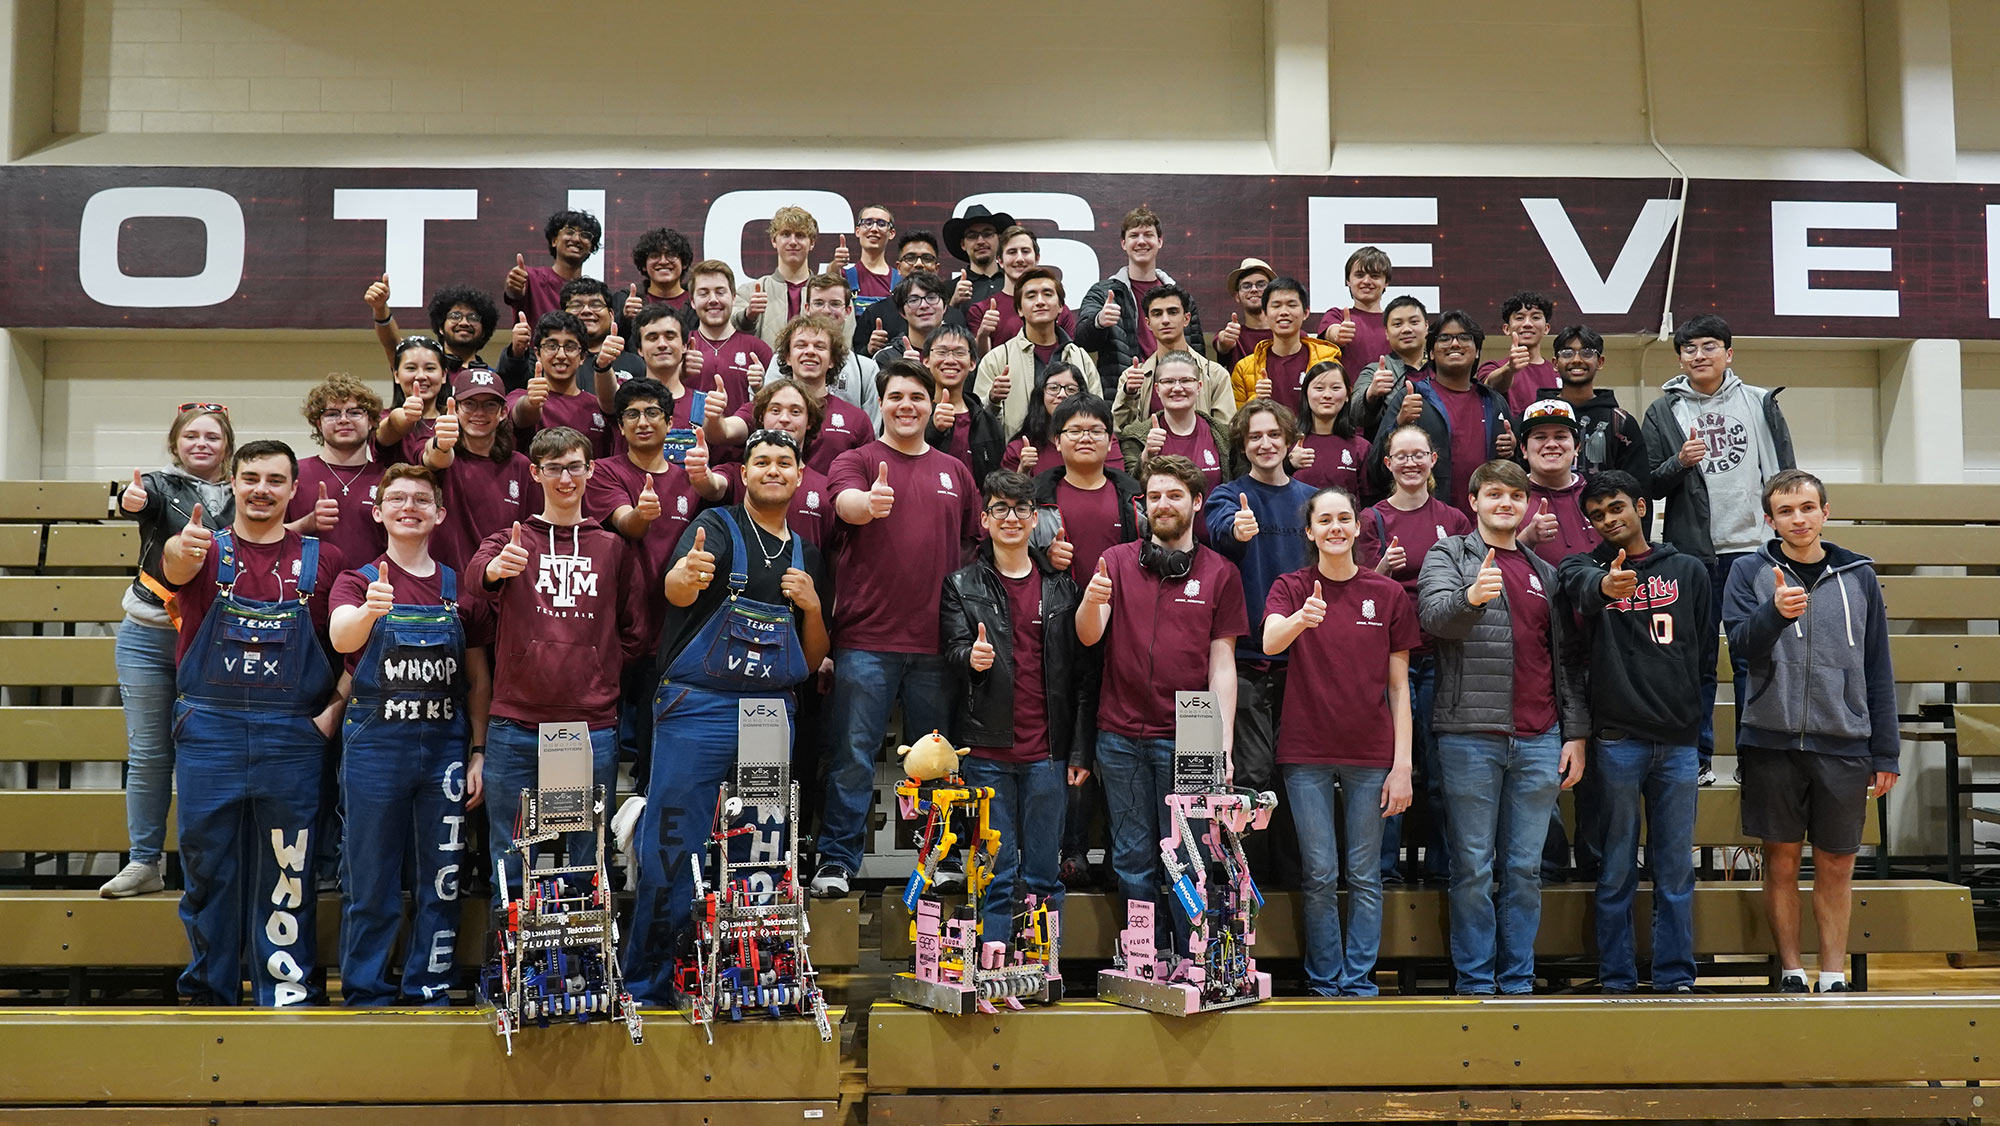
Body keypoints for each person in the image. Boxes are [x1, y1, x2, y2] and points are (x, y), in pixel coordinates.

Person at [624, 428, 831, 1006]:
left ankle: (747, 978)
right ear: (744, 474)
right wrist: (684, 580)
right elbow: (676, 591)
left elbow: (812, 659)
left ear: (798, 477)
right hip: (698, 708)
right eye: (760, 461)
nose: (771, 469)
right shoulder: (714, 528)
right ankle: (646, 982)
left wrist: (812, 607)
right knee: (673, 848)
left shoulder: (806, 556)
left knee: (758, 853)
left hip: (769, 714)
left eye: (782, 462)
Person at [159, 439, 348, 1005]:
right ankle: (209, 993)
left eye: (274, 480)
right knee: (205, 866)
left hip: (293, 735)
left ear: (294, 489)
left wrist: (332, 714)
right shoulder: (202, 549)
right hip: (209, 731)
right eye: (250, 478)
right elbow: (174, 562)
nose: (261, 489)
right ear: (233, 485)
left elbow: (357, 650)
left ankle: (285, 993)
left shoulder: (324, 560)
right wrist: (180, 548)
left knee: (288, 870)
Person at [1723, 470, 1899, 994]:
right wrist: (1773, 616)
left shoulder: (1860, 574)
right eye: (1785, 511)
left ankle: (1834, 974)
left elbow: (1877, 665)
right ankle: (1793, 971)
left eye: (1806, 508)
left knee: (1837, 863)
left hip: (1844, 741)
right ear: (1768, 519)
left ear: (1825, 511)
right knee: (1780, 859)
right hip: (1769, 740)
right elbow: (1738, 648)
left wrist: (1884, 750)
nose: (1797, 519)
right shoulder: (1748, 572)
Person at [1417, 459, 1588, 996]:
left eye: (1515, 496)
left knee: (1524, 869)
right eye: (1494, 494)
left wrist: (1574, 733)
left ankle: (1515, 979)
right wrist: (1472, 597)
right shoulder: (1450, 553)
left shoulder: (1545, 570)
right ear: (1474, 501)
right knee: (1471, 867)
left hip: (1540, 737)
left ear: (1528, 505)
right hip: (1470, 733)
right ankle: (1474, 979)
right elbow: (1434, 619)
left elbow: (1563, 660)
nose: (1505, 504)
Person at [812, 362, 982, 897]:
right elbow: (846, 505)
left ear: (933, 406)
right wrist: (871, 504)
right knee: (851, 759)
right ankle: (837, 862)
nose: (906, 405)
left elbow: (974, 545)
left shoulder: (955, 472)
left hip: (937, 644)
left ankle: (942, 859)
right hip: (865, 642)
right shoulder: (856, 460)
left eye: (917, 396)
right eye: (895, 396)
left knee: (939, 763)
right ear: (879, 404)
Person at [328, 463, 491, 1006]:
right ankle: (366, 992)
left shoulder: (457, 587)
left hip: (444, 745)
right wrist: (370, 612)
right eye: (396, 498)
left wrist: (479, 751)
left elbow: (477, 679)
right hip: (376, 745)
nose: (409, 506)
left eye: (421, 499)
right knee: (370, 880)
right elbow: (339, 634)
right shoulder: (356, 579)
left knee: (441, 881)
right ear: (378, 512)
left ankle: (429, 987)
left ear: (439, 514)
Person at [465, 427, 647, 897]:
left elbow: (634, 629)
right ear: (536, 473)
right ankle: (512, 965)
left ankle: (582, 968)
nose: (564, 478)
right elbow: (473, 582)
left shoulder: (612, 548)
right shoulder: (509, 539)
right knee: (510, 859)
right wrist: (494, 569)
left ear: (589, 470)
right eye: (553, 468)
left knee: (586, 858)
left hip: (586, 727)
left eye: (574, 467)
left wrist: (595, 668)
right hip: (515, 725)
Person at [1076, 455, 1245, 952]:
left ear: (1195, 502)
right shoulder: (1117, 560)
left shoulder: (1221, 573)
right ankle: (1146, 956)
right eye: (1154, 497)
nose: (1163, 505)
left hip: (1194, 730)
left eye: (1174, 495)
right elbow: (1090, 636)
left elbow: (1223, 665)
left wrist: (1222, 745)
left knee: (1192, 859)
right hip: (1121, 732)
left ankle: (1194, 959)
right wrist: (1090, 599)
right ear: (1143, 505)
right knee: (1131, 857)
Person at [1557, 470, 1710, 994]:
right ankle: (1617, 978)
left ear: (1642, 506)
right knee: (1616, 867)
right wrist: (1604, 585)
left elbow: (1706, 661)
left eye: (1617, 507)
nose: (1608, 519)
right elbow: (1576, 586)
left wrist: (1702, 736)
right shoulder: (1583, 565)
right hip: (1617, 741)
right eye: (1597, 515)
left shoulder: (1687, 569)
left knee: (1674, 872)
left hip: (1678, 743)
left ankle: (1674, 978)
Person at [1263, 485, 1417, 995]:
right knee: (1321, 873)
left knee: (1365, 874)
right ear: (1309, 531)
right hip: (1305, 751)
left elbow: (1400, 688)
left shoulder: (1388, 594)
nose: (1334, 527)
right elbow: (1268, 641)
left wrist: (1403, 766)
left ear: (1357, 528)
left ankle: (1358, 981)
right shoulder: (1291, 586)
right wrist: (1300, 621)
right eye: (1323, 520)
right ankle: (1324, 981)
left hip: (1371, 753)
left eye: (1343, 518)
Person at [939, 468, 1095, 945]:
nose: (1011, 518)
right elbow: (951, 651)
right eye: (1000, 509)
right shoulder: (960, 583)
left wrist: (1080, 752)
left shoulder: (1062, 587)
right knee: (996, 875)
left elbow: (1083, 676)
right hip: (987, 754)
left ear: (1034, 520)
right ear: (984, 519)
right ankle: (995, 970)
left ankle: (1042, 974)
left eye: (1021, 509)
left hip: (1048, 754)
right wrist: (972, 657)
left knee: (1046, 876)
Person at [1644, 314, 1795, 787]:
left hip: (1756, 550)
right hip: (1694, 554)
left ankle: (1756, 758)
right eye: (1689, 349)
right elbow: (1649, 482)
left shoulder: (1759, 401)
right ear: (1681, 358)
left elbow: (1787, 475)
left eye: (1710, 346)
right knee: (1698, 658)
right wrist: (1679, 461)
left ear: (1729, 353)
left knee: (1756, 658)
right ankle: (1700, 758)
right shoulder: (1663, 411)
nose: (1699, 355)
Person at [100, 405, 235, 898]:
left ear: (227, 444)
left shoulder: (245, 490)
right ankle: (144, 861)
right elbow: (135, 502)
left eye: (212, 437)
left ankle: (212, 867)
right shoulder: (156, 485)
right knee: (150, 754)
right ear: (175, 443)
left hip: (211, 636)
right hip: (147, 633)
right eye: (192, 436)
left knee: (209, 754)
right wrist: (129, 499)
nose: (201, 443)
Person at [586, 376, 724, 770]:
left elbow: (718, 492)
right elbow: (625, 524)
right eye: (631, 414)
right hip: (615, 626)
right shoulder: (605, 472)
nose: (642, 421)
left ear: (668, 422)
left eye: (652, 413)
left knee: (655, 741)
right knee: (603, 740)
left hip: (672, 629)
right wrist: (641, 515)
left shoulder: (689, 479)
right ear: (620, 424)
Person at [1356, 425, 1472, 884]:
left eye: (1418, 455)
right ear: (1387, 464)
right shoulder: (1370, 519)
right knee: (1391, 766)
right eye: (1400, 456)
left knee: (1441, 772)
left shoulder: (1455, 519)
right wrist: (1381, 569)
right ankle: (1384, 869)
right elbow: (1355, 586)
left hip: (1442, 657)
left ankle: (1443, 868)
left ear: (1433, 460)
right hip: (1389, 659)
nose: (1409, 463)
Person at [1204, 400, 1314, 873]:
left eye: (1273, 434)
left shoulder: (1312, 500)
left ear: (1290, 442)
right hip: (1246, 658)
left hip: (1305, 661)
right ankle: (1244, 885)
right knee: (1249, 774)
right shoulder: (1228, 496)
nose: (1265, 443)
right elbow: (1217, 531)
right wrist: (1237, 531)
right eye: (1254, 437)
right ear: (1242, 446)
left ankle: (1291, 877)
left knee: (1298, 774)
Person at [1364, 311, 1515, 519]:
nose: (1454, 344)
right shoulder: (1412, 396)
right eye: (1444, 338)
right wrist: (1399, 423)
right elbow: (1375, 469)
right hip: (1428, 522)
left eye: (1464, 337)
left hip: (1486, 523)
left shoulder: (1494, 401)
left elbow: (1515, 471)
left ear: (1477, 351)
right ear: (1432, 353)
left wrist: (1512, 451)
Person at [706, 313, 873, 475]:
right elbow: (721, 433)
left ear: (832, 360)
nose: (810, 351)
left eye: (819, 346)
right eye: (801, 345)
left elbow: (867, 473)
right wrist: (713, 417)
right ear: (787, 357)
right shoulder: (765, 405)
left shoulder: (856, 419)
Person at [1076, 206, 1205, 398]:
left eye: (1148, 235)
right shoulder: (1103, 293)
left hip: (1176, 394)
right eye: (1134, 235)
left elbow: (1197, 351)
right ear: (1123, 243)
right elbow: (1081, 341)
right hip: (1125, 398)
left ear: (1159, 241)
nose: (1141, 241)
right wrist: (1099, 321)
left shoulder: (1180, 297)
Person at [420, 366, 536, 573]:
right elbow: (434, 456)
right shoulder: (445, 458)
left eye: (489, 405)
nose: (479, 413)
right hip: (445, 590)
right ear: (455, 409)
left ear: (503, 412)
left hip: (500, 586)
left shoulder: (521, 466)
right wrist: (441, 444)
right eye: (469, 404)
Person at [974, 267, 1099, 436]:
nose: (1040, 301)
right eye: (1031, 296)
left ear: (1061, 306)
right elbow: (979, 423)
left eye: (1047, 294)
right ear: (1019, 309)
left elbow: (1098, 415)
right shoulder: (997, 359)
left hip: (1073, 456)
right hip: (1017, 456)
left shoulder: (1081, 358)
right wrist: (992, 400)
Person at [714, 379, 838, 547]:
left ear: (809, 422)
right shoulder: (736, 473)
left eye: (795, 412)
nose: (784, 419)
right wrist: (700, 471)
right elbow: (712, 485)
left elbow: (831, 556)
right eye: (775, 410)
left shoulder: (825, 489)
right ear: (760, 417)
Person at [1033, 394, 1142, 583]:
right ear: (1058, 441)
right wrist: (1045, 557)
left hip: (1122, 605)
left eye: (1096, 431)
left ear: (1110, 442)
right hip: (1058, 607)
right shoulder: (1034, 499)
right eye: (1075, 431)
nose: (1085, 438)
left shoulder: (1137, 498)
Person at [286, 374, 387, 567]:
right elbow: (264, 538)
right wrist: (307, 523)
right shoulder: (293, 473)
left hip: (370, 589)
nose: (343, 420)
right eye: (332, 414)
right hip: (305, 591)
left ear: (372, 420)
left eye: (355, 412)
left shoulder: (387, 479)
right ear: (318, 423)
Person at [1111, 285, 1235, 437]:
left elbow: (1225, 435)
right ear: (1148, 323)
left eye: (1173, 312)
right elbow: (1121, 434)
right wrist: (1129, 394)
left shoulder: (1215, 375)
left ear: (1186, 319)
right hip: (1149, 459)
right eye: (1157, 314)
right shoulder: (1133, 378)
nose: (1165, 320)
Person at [1549, 325, 1651, 497]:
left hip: (1604, 520)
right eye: (1567, 353)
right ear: (1555, 363)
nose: (1576, 360)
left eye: (1587, 353)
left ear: (1600, 362)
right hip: (1547, 518)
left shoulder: (1621, 422)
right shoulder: (1535, 416)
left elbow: (1639, 488)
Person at [1122, 349, 1233, 493]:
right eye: (1168, 381)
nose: (1177, 388)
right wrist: (1146, 456)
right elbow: (1130, 493)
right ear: (1157, 389)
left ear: (1199, 387)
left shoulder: (1223, 435)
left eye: (1186, 380)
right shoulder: (1135, 437)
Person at [1229, 277, 1341, 408]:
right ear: (1265, 314)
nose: (1284, 312)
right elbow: (1236, 423)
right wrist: (1257, 400)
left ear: (1305, 313)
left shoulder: (1328, 361)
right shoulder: (1244, 368)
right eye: (1276, 306)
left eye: (1292, 305)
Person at [966, 225, 1079, 354]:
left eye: (1025, 251)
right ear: (1000, 261)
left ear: (1037, 258)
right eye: (1012, 252)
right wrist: (983, 335)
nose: (1019, 259)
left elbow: (1071, 358)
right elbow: (980, 364)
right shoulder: (981, 310)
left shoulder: (1056, 308)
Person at [1516, 398, 1600, 567]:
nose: (1551, 444)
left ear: (1577, 447)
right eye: (1540, 437)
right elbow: (1495, 566)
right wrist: (1526, 539)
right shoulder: (1509, 499)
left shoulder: (1599, 494)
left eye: (1560, 436)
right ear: (1524, 449)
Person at [922, 323, 1005, 485]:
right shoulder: (915, 414)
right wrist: (933, 429)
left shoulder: (988, 422)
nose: (950, 360)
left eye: (959, 353)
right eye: (942, 352)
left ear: (973, 363)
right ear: (926, 360)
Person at [735, 206, 827, 345]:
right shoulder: (750, 292)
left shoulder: (829, 294)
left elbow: (844, 345)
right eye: (786, 234)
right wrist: (748, 316)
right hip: (764, 366)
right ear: (774, 240)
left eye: (800, 235)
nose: (793, 242)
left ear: (812, 243)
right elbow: (730, 333)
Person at [687, 260, 777, 398]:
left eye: (720, 292)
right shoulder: (681, 347)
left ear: (734, 298)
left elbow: (777, 404)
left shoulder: (758, 350)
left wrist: (760, 389)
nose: (713, 300)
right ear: (693, 302)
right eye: (704, 293)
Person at [368, 282, 500, 375]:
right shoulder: (423, 367)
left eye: (473, 317)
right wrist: (380, 308)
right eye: (455, 316)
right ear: (441, 327)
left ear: (484, 330)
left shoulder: (492, 377)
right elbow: (392, 344)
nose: (464, 323)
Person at [804, 273, 882, 427]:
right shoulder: (783, 360)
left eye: (835, 304)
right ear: (807, 308)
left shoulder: (867, 369)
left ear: (848, 310)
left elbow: (871, 429)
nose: (826, 310)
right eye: (818, 303)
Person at [1349, 295, 1430, 440]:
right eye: (1397, 324)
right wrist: (1370, 395)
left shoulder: (1442, 368)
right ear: (1387, 333)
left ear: (1426, 327)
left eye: (1414, 322)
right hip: (1390, 454)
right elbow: (1354, 415)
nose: (1406, 329)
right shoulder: (1375, 371)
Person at [504, 209, 601, 326]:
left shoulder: (594, 294)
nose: (576, 239)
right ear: (554, 240)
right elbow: (514, 293)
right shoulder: (531, 278)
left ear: (591, 248)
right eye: (569, 232)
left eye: (585, 235)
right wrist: (514, 286)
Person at [1291, 361, 1370, 496]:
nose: (1327, 395)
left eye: (1335, 388)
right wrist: (1288, 464)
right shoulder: (1289, 444)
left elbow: (1369, 500)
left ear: (1347, 394)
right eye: (1319, 388)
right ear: (1306, 393)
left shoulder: (1361, 448)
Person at [1319, 246, 1395, 388]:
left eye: (1375, 276)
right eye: (1359, 275)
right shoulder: (1337, 315)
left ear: (1386, 282)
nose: (1366, 281)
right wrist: (1338, 335)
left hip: (1390, 400)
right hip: (1346, 401)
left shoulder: (1395, 321)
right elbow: (1331, 332)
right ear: (1348, 280)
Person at [1477, 291, 1561, 416]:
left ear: (1546, 328)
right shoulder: (1492, 367)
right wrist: (1509, 369)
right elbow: (1490, 385)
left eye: (1536, 317)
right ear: (1506, 329)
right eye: (1520, 318)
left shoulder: (1558, 372)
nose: (1527, 324)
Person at [1002, 361, 1084, 476]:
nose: (1062, 395)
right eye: (1053, 388)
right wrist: (1023, 471)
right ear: (1041, 395)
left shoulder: (1098, 439)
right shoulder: (1020, 448)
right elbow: (1005, 492)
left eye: (1071, 389)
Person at [616, 226, 696, 333]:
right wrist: (624, 318)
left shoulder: (698, 302)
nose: (663, 261)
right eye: (655, 256)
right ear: (644, 264)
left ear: (684, 263)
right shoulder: (625, 300)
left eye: (671, 255)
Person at [871, 271, 952, 369]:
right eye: (913, 300)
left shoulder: (962, 353)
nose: (924, 305)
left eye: (931, 297)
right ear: (902, 312)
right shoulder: (886, 358)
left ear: (945, 307)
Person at [943, 204, 1014, 306]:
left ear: (999, 239)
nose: (980, 241)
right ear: (963, 244)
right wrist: (954, 302)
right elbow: (940, 321)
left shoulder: (1014, 281)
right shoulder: (950, 288)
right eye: (972, 236)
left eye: (987, 234)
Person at [1213, 257, 1275, 370]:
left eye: (1261, 284)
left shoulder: (1291, 334)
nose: (1254, 290)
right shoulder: (1234, 335)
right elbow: (1222, 345)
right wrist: (1224, 341)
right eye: (1246, 286)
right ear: (1237, 296)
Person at [844, 204, 900, 315]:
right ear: (857, 231)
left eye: (881, 224)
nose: (874, 229)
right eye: (868, 223)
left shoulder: (901, 282)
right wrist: (834, 267)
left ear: (891, 233)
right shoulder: (843, 277)